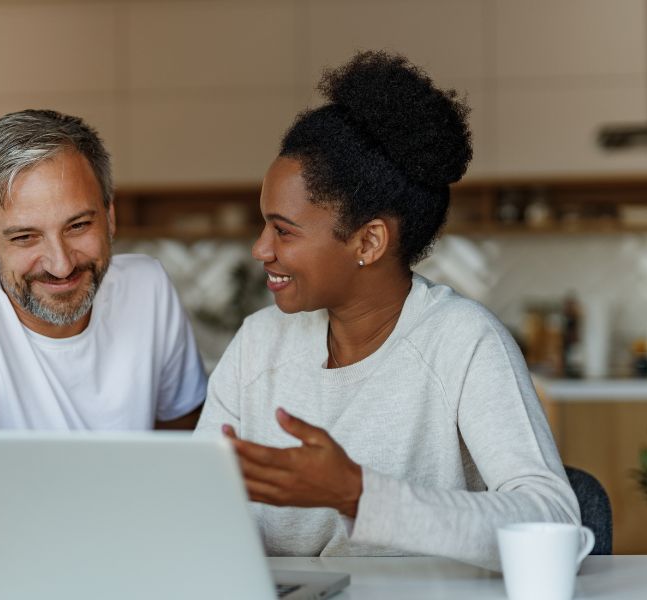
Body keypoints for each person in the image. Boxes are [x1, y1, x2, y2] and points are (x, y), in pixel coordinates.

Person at [195, 51, 579, 571]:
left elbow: (552, 519)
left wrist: (359, 495)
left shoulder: (462, 342)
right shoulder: (258, 343)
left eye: (283, 230)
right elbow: (200, 506)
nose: (260, 249)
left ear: (369, 241)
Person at [0, 109, 207, 565]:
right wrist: (122, 517)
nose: (60, 263)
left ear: (109, 216)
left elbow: (189, 465)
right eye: (24, 237)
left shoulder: (147, 287)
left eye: (79, 226)